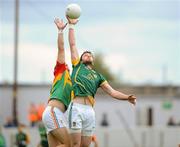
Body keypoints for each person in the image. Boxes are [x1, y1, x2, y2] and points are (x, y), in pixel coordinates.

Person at [66, 16, 137, 147]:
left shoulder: (98, 76)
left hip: (89, 111)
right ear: (81, 59)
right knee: (75, 144)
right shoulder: (77, 66)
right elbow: (72, 44)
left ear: (92, 60)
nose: (87, 54)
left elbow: (113, 92)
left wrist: (127, 97)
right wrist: (71, 26)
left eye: (90, 54)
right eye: (85, 54)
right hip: (76, 108)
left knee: (86, 145)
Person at [42, 18, 73, 147]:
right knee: (68, 144)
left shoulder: (73, 84)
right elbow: (61, 49)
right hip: (53, 112)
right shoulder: (62, 70)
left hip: (52, 113)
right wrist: (61, 31)